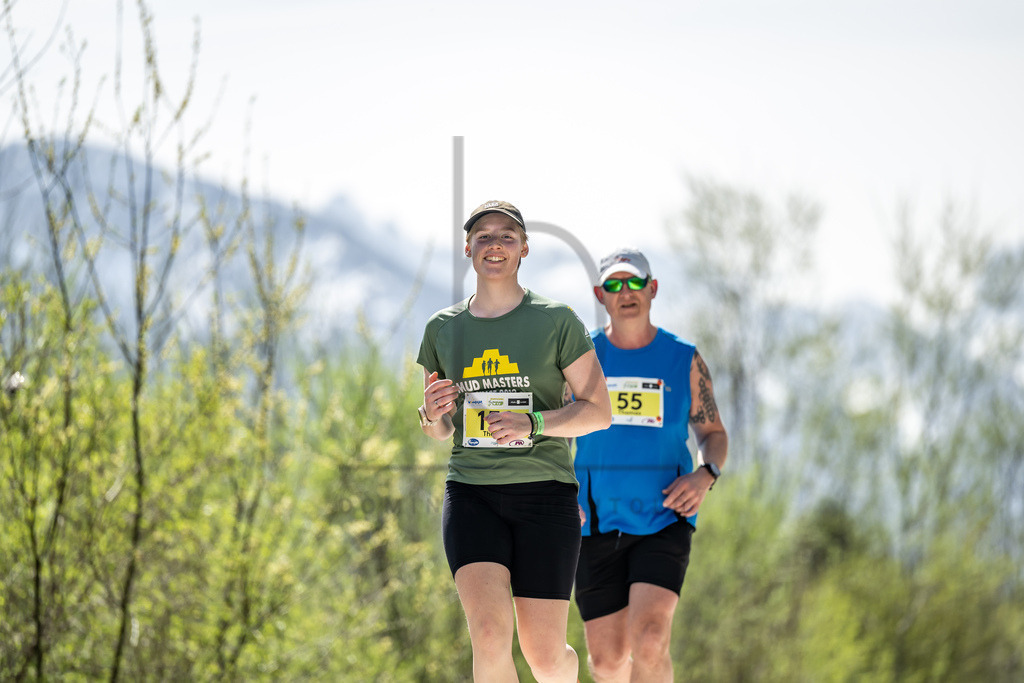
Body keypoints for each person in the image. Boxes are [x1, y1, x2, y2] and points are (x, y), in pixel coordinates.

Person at [417, 200, 612, 682]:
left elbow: (598, 412)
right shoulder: (442, 329)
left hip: (544, 494)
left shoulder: (556, 321)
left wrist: (534, 424)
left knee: (544, 656)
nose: (495, 244)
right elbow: (441, 429)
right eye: (483, 236)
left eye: (507, 235)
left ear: (524, 248)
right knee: (487, 635)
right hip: (472, 494)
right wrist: (432, 417)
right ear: (468, 249)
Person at [573, 247, 729, 683]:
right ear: (600, 295)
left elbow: (713, 434)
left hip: (665, 516)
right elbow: (547, 430)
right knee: (606, 662)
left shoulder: (685, 360)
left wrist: (706, 474)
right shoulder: (579, 359)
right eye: (614, 285)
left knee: (650, 640)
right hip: (594, 523)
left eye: (635, 282)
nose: (626, 292)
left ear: (652, 288)